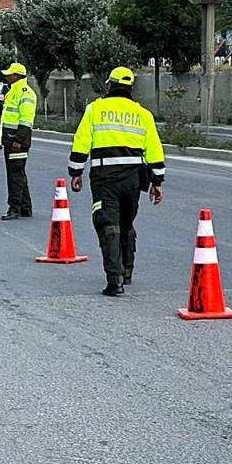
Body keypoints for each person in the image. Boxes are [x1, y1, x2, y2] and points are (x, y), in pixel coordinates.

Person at [68, 67, 165, 296]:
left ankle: (115, 281)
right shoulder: (143, 114)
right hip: (133, 180)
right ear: (131, 88)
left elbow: (81, 142)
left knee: (108, 224)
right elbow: (154, 149)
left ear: (109, 84)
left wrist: (76, 172)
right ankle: (127, 271)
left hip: (105, 178)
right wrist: (157, 181)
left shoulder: (95, 109)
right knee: (126, 223)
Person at [0, 62, 36, 220]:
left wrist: (19, 139)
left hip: (17, 141)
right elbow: (6, 118)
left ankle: (14, 209)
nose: (7, 77)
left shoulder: (25, 93)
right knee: (18, 173)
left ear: (17, 76)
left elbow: (26, 120)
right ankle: (25, 207)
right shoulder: (13, 91)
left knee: (15, 175)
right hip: (10, 139)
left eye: (10, 74)